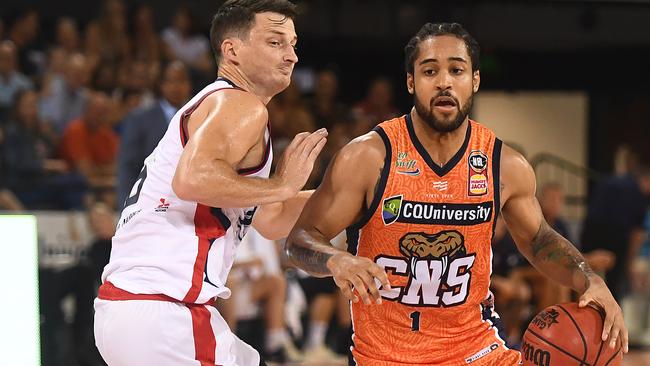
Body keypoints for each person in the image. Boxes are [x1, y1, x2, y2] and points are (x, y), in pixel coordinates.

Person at [285, 22, 628, 365]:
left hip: (476, 349)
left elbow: (539, 241)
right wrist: (336, 259)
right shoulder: (369, 157)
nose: (444, 81)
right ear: (411, 82)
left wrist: (588, 279)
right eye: (430, 70)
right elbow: (299, 240)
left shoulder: (503, 165)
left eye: (457, 70)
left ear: (474, 80)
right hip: (386, 355)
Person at [94, 1, 327, 365]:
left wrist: (355, 197)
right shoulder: (238, 104)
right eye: (276, 42)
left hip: (138, 311)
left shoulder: (224, 111)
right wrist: (282, 183)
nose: (292, 56)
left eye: (293, 44)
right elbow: (192, 180)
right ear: (232, 50)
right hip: (165, 313)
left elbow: (271, 219)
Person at [116, 61, 191, 205]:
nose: (177, 87)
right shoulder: (139, 118)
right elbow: (128, 166)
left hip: (186, 202)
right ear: (161, 85)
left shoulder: (200, 117)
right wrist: (125, 204)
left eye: (181, 81)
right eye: (171, 81)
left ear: (189, 85)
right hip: (148, 199)